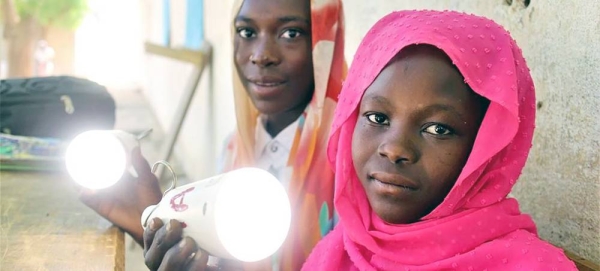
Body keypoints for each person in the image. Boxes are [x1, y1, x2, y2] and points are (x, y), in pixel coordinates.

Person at [79, 0, 346, 270]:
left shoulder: (354, 167)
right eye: (247, 32)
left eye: (291, 33)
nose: (261, 55)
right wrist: (156, 225)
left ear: (327, 41)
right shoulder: (234, 148)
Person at [302, 10, 577, 270]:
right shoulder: (336, 254)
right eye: (377, 118)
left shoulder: (534, 266)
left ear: (488, 150)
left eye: (437, 129)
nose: (395, 149)